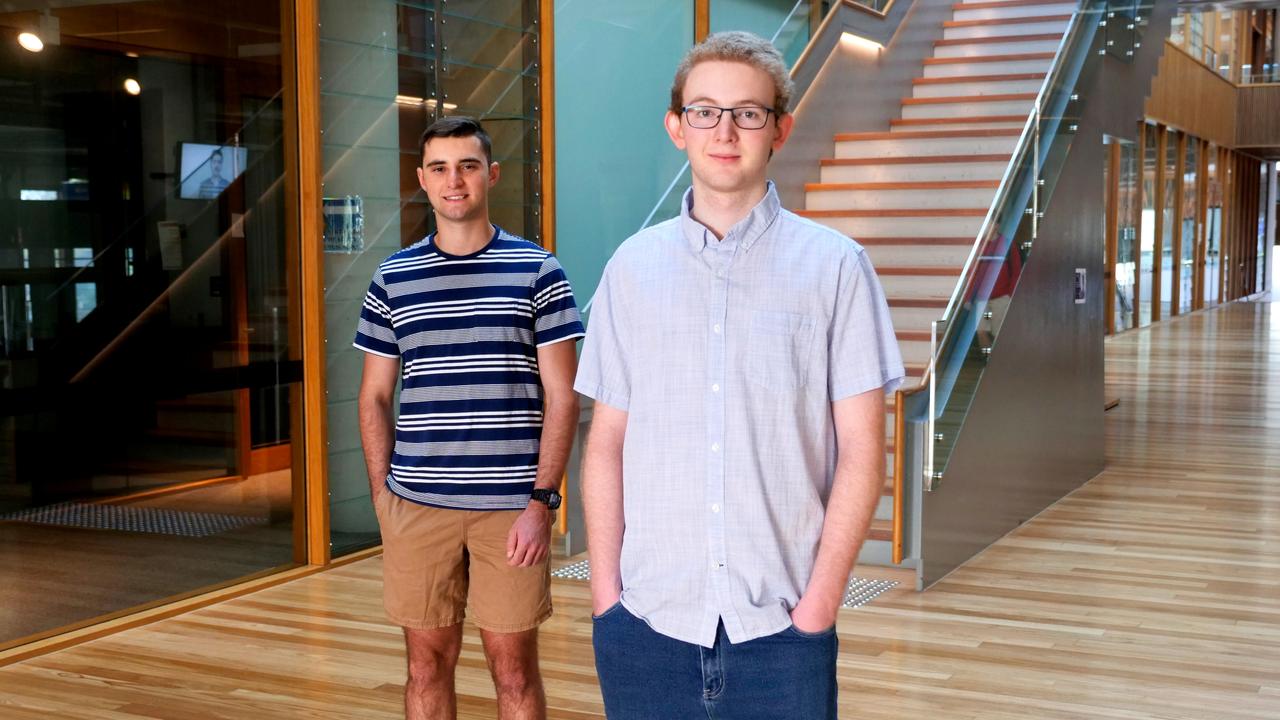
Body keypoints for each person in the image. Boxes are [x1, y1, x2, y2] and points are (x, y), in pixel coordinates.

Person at [574, 31, 904, 719]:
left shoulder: (837, 269)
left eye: (748, 113)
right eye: (705, 111)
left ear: (780, 128)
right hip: (645, 626)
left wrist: (817, 609)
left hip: (782, 634)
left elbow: (863, 455)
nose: (725, 130)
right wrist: (606, 597)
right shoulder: (631, 271)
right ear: (676, 126)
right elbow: (605, 444)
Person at [355, 116, 584, 720]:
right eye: (439, 168)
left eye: (468, 165)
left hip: (510, 511)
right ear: (422, 181)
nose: (453, 180)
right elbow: (375, 396)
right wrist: (383, 495)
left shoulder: (539, 271)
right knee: (424, 666)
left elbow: (564, 397)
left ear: (491, 174)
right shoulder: (392, 278)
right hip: (416, 505)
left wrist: (542, 503)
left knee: (514, 671)